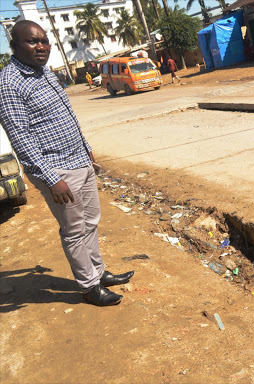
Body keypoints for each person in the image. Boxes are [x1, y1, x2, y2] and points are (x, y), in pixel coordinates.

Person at [0, 20, 134, 307]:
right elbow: (21, 138)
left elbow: (66, 116)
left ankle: (98, 273)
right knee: (73, 230)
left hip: (79, 161)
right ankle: (88, 287)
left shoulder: (45, 73)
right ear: (14, 46)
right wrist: (50, 178)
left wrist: (86, 149)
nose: (41, 47)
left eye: (45, 41)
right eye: (33, 41)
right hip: (57, 170)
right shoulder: (9, 83)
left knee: (90, 223)